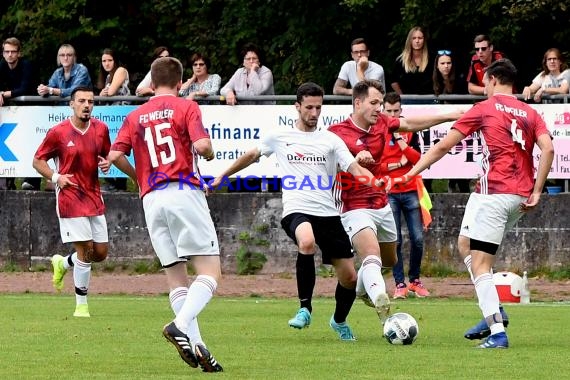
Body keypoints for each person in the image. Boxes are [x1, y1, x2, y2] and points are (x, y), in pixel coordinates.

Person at [392, 59, 554, 348]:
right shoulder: (530, 112)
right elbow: (549, 149)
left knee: (481, 265)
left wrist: (411, 173)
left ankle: (497, 333)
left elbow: (443, 146)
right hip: (516, 196)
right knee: (465, 243)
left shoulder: (484, 109)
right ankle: (492, 309)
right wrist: (538, 190)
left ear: (491, 80)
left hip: (494, 194)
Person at [211, 82, 385, 341]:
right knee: (306, 241)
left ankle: (339, 321)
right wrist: (222, 176)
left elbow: (355, 169)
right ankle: (305, 308)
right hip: (297, 210)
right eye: (309, 107)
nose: (314, 113)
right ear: (297, 107)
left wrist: (375, 181)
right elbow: (251, 155)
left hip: (328, 214)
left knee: (349, 277)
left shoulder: (330, 140)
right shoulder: (280, 136)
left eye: (318, 107)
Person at [108, 57, 223, 372]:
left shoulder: (135, 115)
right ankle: (179, 325)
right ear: (179, 81)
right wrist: (210, 152)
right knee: (210, 272)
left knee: (177, 279)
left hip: (151, 200)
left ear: (152, 81)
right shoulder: (186, 107)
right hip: (183, 191)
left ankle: (198, 347)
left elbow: (115, 155)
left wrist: (139, 177)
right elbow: (201, 146)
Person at [328, 81, 460, 319]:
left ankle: (363, 287)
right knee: (371, 255)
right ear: (358, 103)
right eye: (374, 103)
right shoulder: (336, 133)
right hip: (353, 205)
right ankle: (381, 299)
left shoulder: (382, 124)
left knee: (388, 260)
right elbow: (328, 162)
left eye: (381, 103)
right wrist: (353, 158)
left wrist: (449, 116)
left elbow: (410, 124)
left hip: (381, 202)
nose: (379, 108)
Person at [32, 86, 111, 318]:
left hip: (94, 196)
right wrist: (57, 178)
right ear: (72, 104)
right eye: (82, 101)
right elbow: (37, 161)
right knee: (86, 251)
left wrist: (107, 163)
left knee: (101, 253)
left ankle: (63, 263)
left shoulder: (101, 129)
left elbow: (106, 155)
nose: (87, 105)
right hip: (70, 197)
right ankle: (81, 305)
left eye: (90, 101)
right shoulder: (58, 132)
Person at [378, 92, 429, 299]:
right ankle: (399, 283)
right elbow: (376, 164)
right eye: (388, 111)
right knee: (395, 239)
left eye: (395, 111)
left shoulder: (410, 131)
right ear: (382, 110)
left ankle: (415, 280)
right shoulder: (377, 132)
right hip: (389, 192)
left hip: (410, 190)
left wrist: (400, 141)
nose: (392, 115)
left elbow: (418, 160)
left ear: (401, 111)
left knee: (417, 238)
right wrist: (396, 164)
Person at [432, 49, 471, 193]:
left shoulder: (460, 80)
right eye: (442, 63)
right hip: (438, 124)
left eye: (448, 63)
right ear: (437, 65)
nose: (446, 66)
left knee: (459, 154)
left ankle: (461, 187)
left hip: (457, 122)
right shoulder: (431, 80)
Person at [0, 37, 35, 190]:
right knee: (10, 144)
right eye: (7, 52)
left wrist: (4, 93)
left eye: (13, 52)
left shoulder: (26, 65)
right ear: (3, 53)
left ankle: (31, 180)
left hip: (32, 110)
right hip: (12, 111)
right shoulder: (1, 65)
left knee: (31, 144)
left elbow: (25, 88)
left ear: (19, 53)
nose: (10, 55)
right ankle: (8, 181)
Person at [97, 48, 131, 192]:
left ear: (115, 60)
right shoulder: (107, 77)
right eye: (104, 61)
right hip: (112, 115)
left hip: (121, 115)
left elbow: (110, 92)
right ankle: (112, 182)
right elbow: (102, 96)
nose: (107, 64)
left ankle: (120, 184)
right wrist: (101, 93)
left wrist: (103, 93)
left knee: (119, 149)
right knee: (107, 147)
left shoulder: (121, 71)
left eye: (109, 60)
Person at [390, 26, 434, 100]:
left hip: (429, 100)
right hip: (408, 101)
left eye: (420, 38)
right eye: (414, 38)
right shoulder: (401, 60)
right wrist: (402, 97)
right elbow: (393, 81)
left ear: (424, 40)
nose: (417, 41)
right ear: (409, 40)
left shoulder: (432, 59)